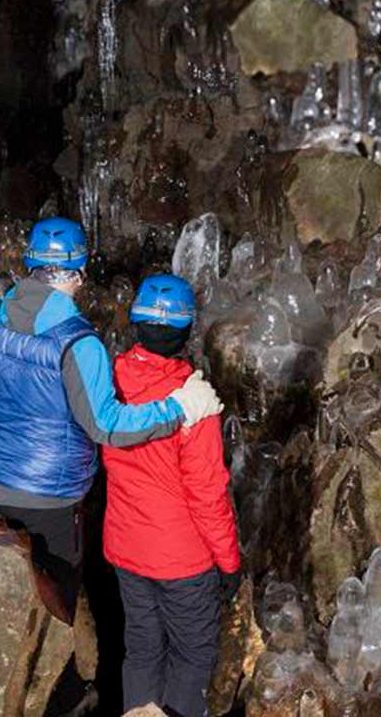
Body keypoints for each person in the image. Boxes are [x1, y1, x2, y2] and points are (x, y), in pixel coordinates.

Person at [0, 217, 223, 618]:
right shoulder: (78, 342)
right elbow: (107, 425)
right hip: (51, 499)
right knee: (54, 611)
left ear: (31, 265)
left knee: (2, 606)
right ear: (78, 272)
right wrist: (179, 408)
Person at [103, 273, 242, 717]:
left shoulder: (109, 383)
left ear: (136, 324)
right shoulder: (193, 401)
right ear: (186, 332)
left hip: (126, 549)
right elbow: (207, 493)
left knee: (142, 650)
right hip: (183, 560)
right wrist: (229, 562)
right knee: (193, 655)